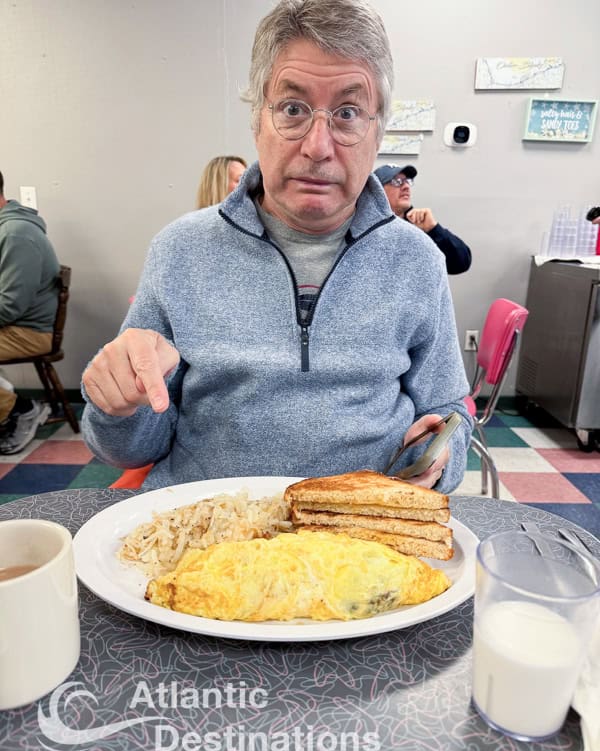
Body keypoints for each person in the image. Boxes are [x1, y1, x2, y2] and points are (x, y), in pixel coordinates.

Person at [81, 0, 472, 493]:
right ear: (256, 121)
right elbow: (130, 449)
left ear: (378, 132)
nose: (317, 146)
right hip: (207, 533)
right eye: (292, 109)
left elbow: (451, 414)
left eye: (348, 113)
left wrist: (438, 454)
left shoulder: (418, 260)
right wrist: (121, 405)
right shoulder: (180, 250)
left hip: (359, 536)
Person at [0, 171, 58, 454]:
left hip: (29, 332)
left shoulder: (15, 234)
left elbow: (10, 306)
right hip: (15, 325)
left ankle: (20, 409)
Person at [374, 164, 472, 275]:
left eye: (407, 181)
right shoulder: (362, 226)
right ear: (377, 191)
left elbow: (460, 263)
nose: (406, 186)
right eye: (397, 182)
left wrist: (433, 229)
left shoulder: (419, 225)